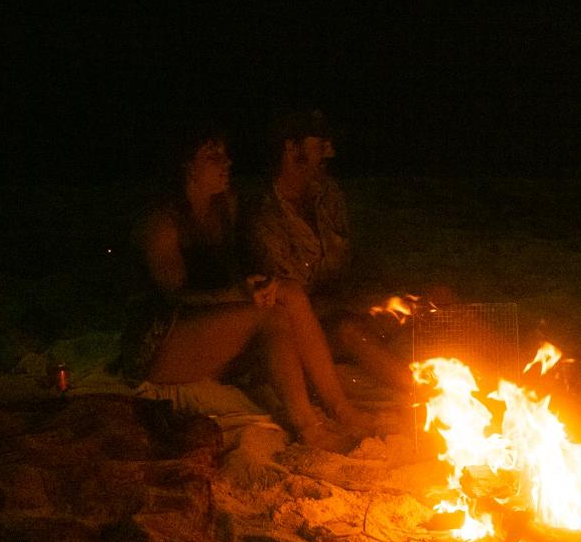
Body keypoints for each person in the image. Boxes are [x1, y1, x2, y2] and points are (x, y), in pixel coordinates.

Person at [117, 120, 376, 452]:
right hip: (160, 341)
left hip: (211, 328)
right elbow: (174, 297)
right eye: (213, 156)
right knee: (268, 314)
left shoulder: (224, 207)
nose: (227, 163)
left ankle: (341, 409)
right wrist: (240, 294)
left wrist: (258, 284)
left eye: (226, 154)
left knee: (287, 295)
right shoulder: (161, 224)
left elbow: (236, 272)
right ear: (187, 167)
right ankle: (309, 427)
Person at [244, 109, 415, 394]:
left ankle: (494, 382)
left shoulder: (328, 195)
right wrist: (357, 303)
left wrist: (388, 295)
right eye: (321, 145)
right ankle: (432, 398)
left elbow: (348, 268)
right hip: (304, 336)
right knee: (350, 331)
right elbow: (294, 307)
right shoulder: (264, 218)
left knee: (430, 301)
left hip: (343, 308)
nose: (331, 152)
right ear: (290, 148)